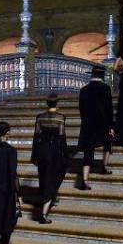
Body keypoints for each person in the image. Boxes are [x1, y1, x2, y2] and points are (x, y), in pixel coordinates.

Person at [31, 94, 69, 224]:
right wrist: (66, 156)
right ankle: (44, 213)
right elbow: (62, 138)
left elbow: (36, 137)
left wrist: (34, 156)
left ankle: (50, 197)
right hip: (55, 152)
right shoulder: (61, 118)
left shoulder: (40, 117)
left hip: (42, 151)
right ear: (57, 104)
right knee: (53, 179)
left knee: (44, 178)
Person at [77, 65, 113, 191]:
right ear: (102, 76)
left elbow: (81, 109)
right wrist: (111, 126)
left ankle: (85, 180)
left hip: (88, 124)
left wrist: (85, 120)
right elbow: (109, 109)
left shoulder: (84, 90)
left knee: (88, 152)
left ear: (92, 75)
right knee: (108, 142)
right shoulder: (106, 89)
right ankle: (104, 166)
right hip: (102, 123)